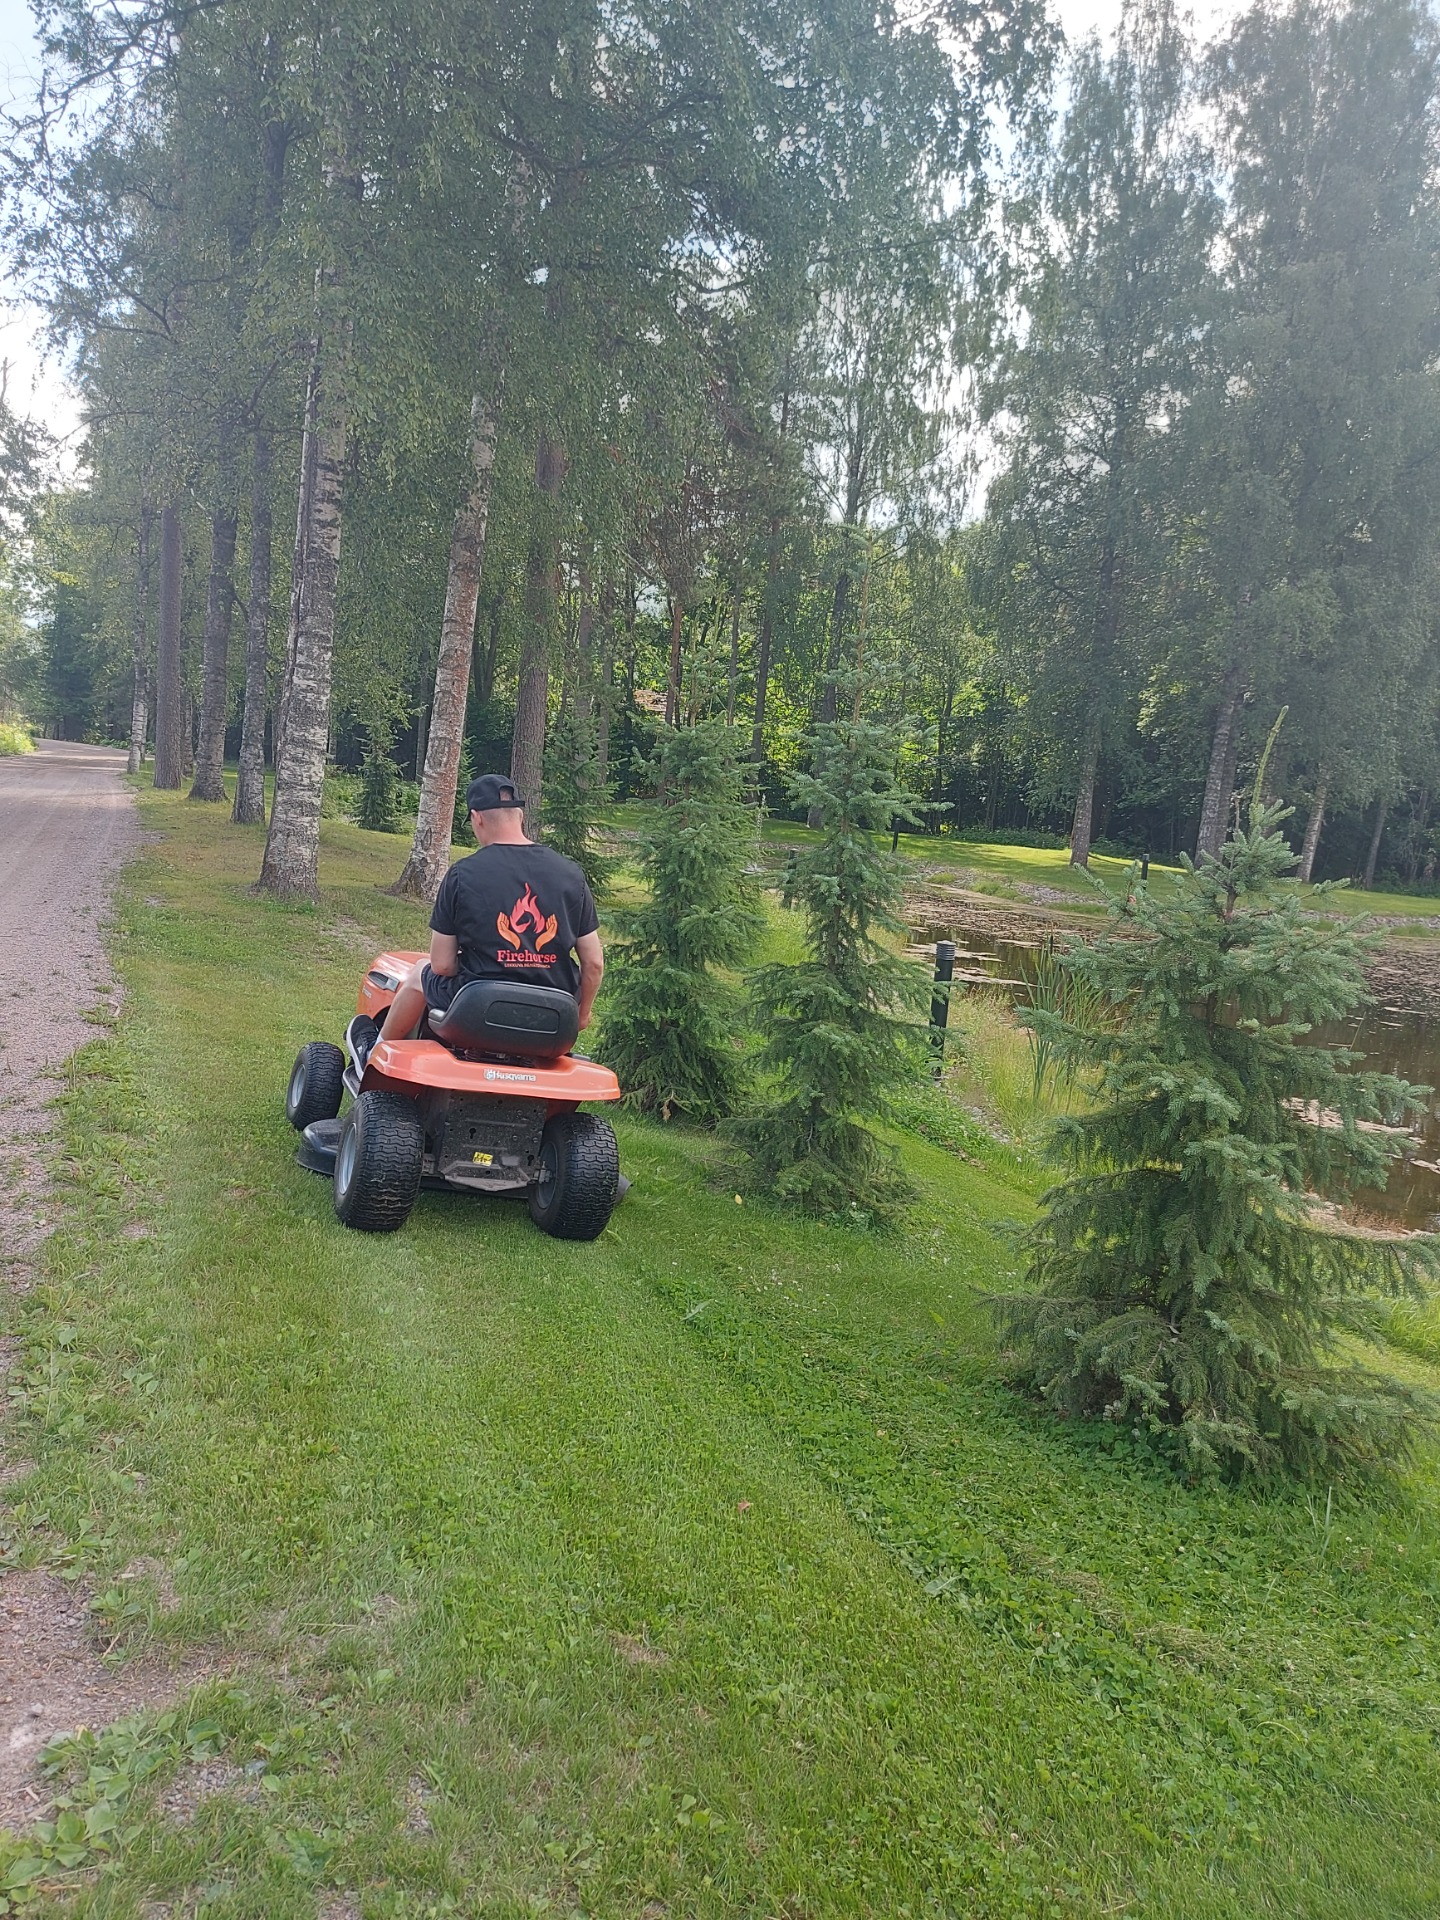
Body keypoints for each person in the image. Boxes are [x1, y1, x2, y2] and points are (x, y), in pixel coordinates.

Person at [363, 773, 603, 1056]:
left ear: (477, 818)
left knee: (418, 974)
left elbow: (442, 966)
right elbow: (594, 963)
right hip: (552, 1013)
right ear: (520, 815)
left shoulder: (462, 875)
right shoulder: (571, 875)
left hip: (480, 1007)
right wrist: (582, 1015)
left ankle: (376, 1053)